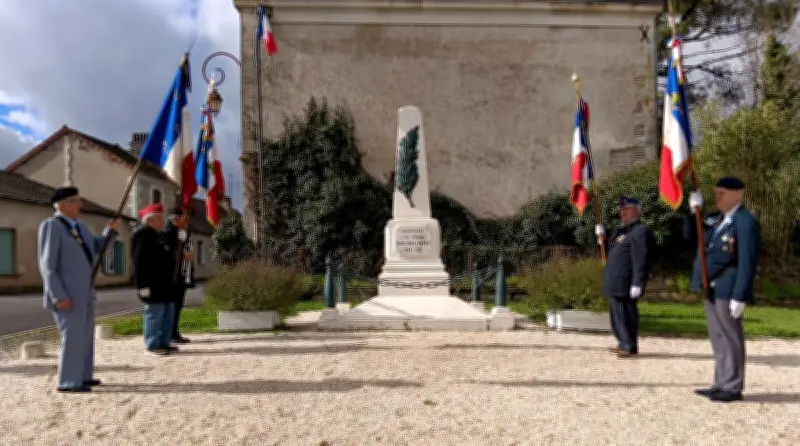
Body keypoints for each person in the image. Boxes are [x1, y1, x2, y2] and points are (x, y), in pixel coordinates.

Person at [684, 177, 761, 402]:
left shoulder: (745, 221)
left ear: (738, 195)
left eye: (722, 193)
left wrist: (740, 295)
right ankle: (720, 382)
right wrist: (693, 212)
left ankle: (733, 385)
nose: (717, 197)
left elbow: (747, 261)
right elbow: (691, 237)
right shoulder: (716, 219)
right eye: (716, 192)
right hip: (711, 286)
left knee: (730, 336)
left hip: (729, 288)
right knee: (717, 336)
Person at [37, 186, 120, 392]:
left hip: (85, 292)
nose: (80, 205)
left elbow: (96, 247)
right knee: (72, 336)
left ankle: (83, 375)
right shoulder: (52, 226)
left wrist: (109, 231)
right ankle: (68, 382)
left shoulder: (80, 226)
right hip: (66, 293)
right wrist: (58, 295)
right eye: (75, 201)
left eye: (79, 201)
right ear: (62, 205)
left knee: (85, 335)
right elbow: (47, 266)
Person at [596, 196, 653, 358]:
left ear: (637, 211)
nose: (623, 212)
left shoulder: (639, 231)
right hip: (617, 280)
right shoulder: (623, 231)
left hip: (625, 281)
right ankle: (624, 343)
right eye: (621, 210)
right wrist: (602, 238)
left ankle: (628, 345)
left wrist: (637, 282)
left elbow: (640, 258)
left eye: (627, 209)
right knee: (618, 314)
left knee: (624, 314)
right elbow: (614, 252)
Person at [130, 203, 180, 356]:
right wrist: (141, 285)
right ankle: (152, 344)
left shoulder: (160, 235)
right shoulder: (141, 235)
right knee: (154, 315)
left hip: (166, 284)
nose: (163, 221)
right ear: (149, 219)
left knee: (167, 315)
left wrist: (176, 228)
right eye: (159, 218)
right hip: (152, 283)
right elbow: (138, 262)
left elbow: (172, 245)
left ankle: (164, 342)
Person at [163, 206, 196, 344]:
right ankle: (169, 333)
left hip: (183, 274)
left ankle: (174, 331)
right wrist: (183, 255)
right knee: (172, 305)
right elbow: (168, 251)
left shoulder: (184, 232)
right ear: (175, 219)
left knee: (178, 305)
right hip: (172, 276)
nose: (187, 221)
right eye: (184, 218)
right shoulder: (168, 232)